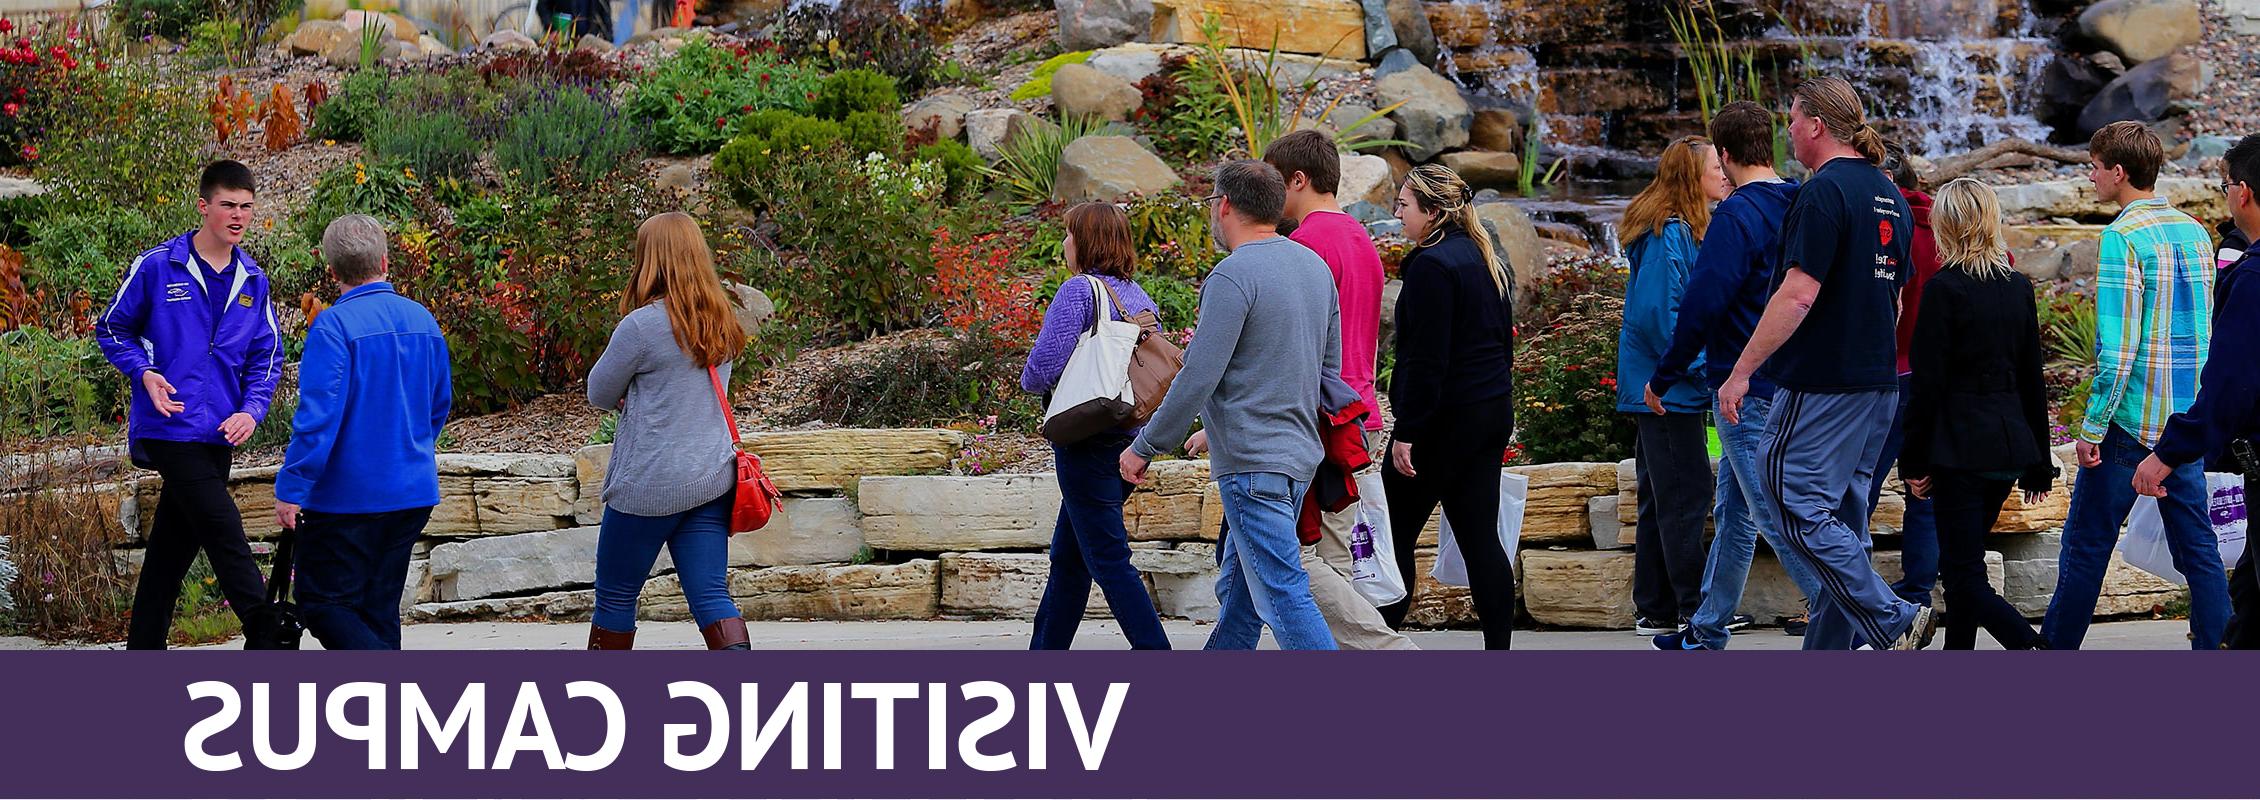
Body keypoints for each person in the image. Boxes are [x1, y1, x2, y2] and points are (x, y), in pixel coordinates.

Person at [1717, 76, 1936, 651]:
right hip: (1877, 383)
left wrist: (1741, 373)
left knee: (1790, 502)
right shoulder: (1889, 195)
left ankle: (1890, 616)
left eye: (1792, 118)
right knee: (1844, 520)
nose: (1786, 129)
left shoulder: (1822, 193)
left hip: (1821, 382)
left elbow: (1797, 294)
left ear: (1815, 125)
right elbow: (1893, 301)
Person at [1120, 160, 1356, 651]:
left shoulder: (1232, 275)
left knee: (1282, 594)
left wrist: (1145, 445)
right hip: (1297, 458)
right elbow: (1321, 372)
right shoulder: (1314, 268)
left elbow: (1199, 374)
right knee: (1242, 597)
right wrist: (1217, 425)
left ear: (1224, 205)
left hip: (1254, 463)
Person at [1646, 102, 1826, 650]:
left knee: (1772, 515)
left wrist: (1665, 375)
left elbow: (1702, 305)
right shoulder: (1800, 202)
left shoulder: (1735, 216)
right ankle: (1706, 627)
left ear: (1724, 157)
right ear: (1769, 145)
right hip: (1797, 380)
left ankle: (1862, 614)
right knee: (1735, 512)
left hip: (1743, 389)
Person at [2041, 120, 2226, 650]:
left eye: (2094, 167)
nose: (2091, 176)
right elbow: (2205, 329)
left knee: (2086, 545)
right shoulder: (2194, 230)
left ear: (2117, 172)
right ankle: (2221, 649)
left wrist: (2092, 427)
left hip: (2129, 422)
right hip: (2182, 421)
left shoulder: (2122, 236)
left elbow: (2118, 349)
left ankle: (2054, 652)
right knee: (2199, 549)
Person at [95, 160, 281, 650]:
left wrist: (251, 410)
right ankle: (263, 625)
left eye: (246, 207)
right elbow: (114, 328)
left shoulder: (252, 280)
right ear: (204, 206)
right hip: (169, 424)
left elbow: (268, 356)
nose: (238, 216)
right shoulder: (159, 266)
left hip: (221, 428)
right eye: (228, 206)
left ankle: (143, 654)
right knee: (222, 525)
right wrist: (145, 372)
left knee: (170, 554)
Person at [1261, 129, 1418, 650]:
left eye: (1275, 183)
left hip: (1318, 417)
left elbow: (1292, 344)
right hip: (1359, 413)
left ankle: (1392, 655)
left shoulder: (1303, 245)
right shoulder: (1359, 238)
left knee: (1311, 560)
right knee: (1333, 557)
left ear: (1298, 180)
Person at [271, 215, 453, 650]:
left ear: (331, 272)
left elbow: (318, 418)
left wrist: (292, 484)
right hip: (411, 492)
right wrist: (411, 448)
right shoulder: (422, 320)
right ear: (385, 261)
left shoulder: (333, 327)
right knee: (378, 609)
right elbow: (439, 403)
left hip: (347, 499)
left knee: (321, 603)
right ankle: (388, 714)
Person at [1895, 179, 2054, 650]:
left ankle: (2038, 651)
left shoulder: (1945, 288)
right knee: (1965, 564)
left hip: (1960, 450)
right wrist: (2039, 460)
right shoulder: (2017, 286)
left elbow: (1928, 384)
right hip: (2007, 447)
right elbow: (2032, 377)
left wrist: (1914, 461)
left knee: (1962, 577)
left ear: (1946, 223)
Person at [584, 212, 752, 651]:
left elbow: (599, 392)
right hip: (710, 479)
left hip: (650, 485)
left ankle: (594, 707)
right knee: (712, 595)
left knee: (617, 595)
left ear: (650, 261)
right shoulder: (723, 322)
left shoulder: (641, 326)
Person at [1374, 164, 1520, 649]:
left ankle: (1379, 641)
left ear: (1433, 211)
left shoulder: (1432, 265)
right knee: (1481, 539)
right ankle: (1499, 651)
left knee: (1394, 536)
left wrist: (1408, 430)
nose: (1397, 215)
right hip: (1487, 412)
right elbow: (1504, 347)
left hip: (1442, 422)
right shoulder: (1485, 258)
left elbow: (1426, 357)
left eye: (1403, 205)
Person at [1019, 202, 1172, 650]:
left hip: (1086, 440)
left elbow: (1042, 369)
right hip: (1127, 438)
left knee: (1108, 561)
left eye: (1069, 234)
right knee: (1069, 558)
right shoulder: (1137, 297)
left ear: (1085, 242)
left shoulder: (1079, 292)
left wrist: (1028, 379)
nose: (1064, 243)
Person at [2134, 132, 2260, 648]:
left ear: (2244, 192)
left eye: (2226, 184)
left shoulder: (2251, 280)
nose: (2225, 194)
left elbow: (2230, 384)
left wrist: (2169, 451)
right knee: (2248, 602)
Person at [1616, 135, 1731, 636]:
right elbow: (1663, 318)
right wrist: (1708, 370)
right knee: (1686, 494)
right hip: (1666, 391)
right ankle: (1691, 608)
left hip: (1661, 386)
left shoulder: (1675, 229)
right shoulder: (1669, 234)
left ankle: (1655, 606)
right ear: (1691, 176)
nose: (1725, 174)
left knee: (1660, 495)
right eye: (1716, 168)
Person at [1871, 142, 1942, 609]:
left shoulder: (1881, 228)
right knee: (1923, 488)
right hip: (1934, 375)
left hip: (1885, 373)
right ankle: (1917, 589)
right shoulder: (1942, 224)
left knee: (1857, 487)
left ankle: (1845, 596)